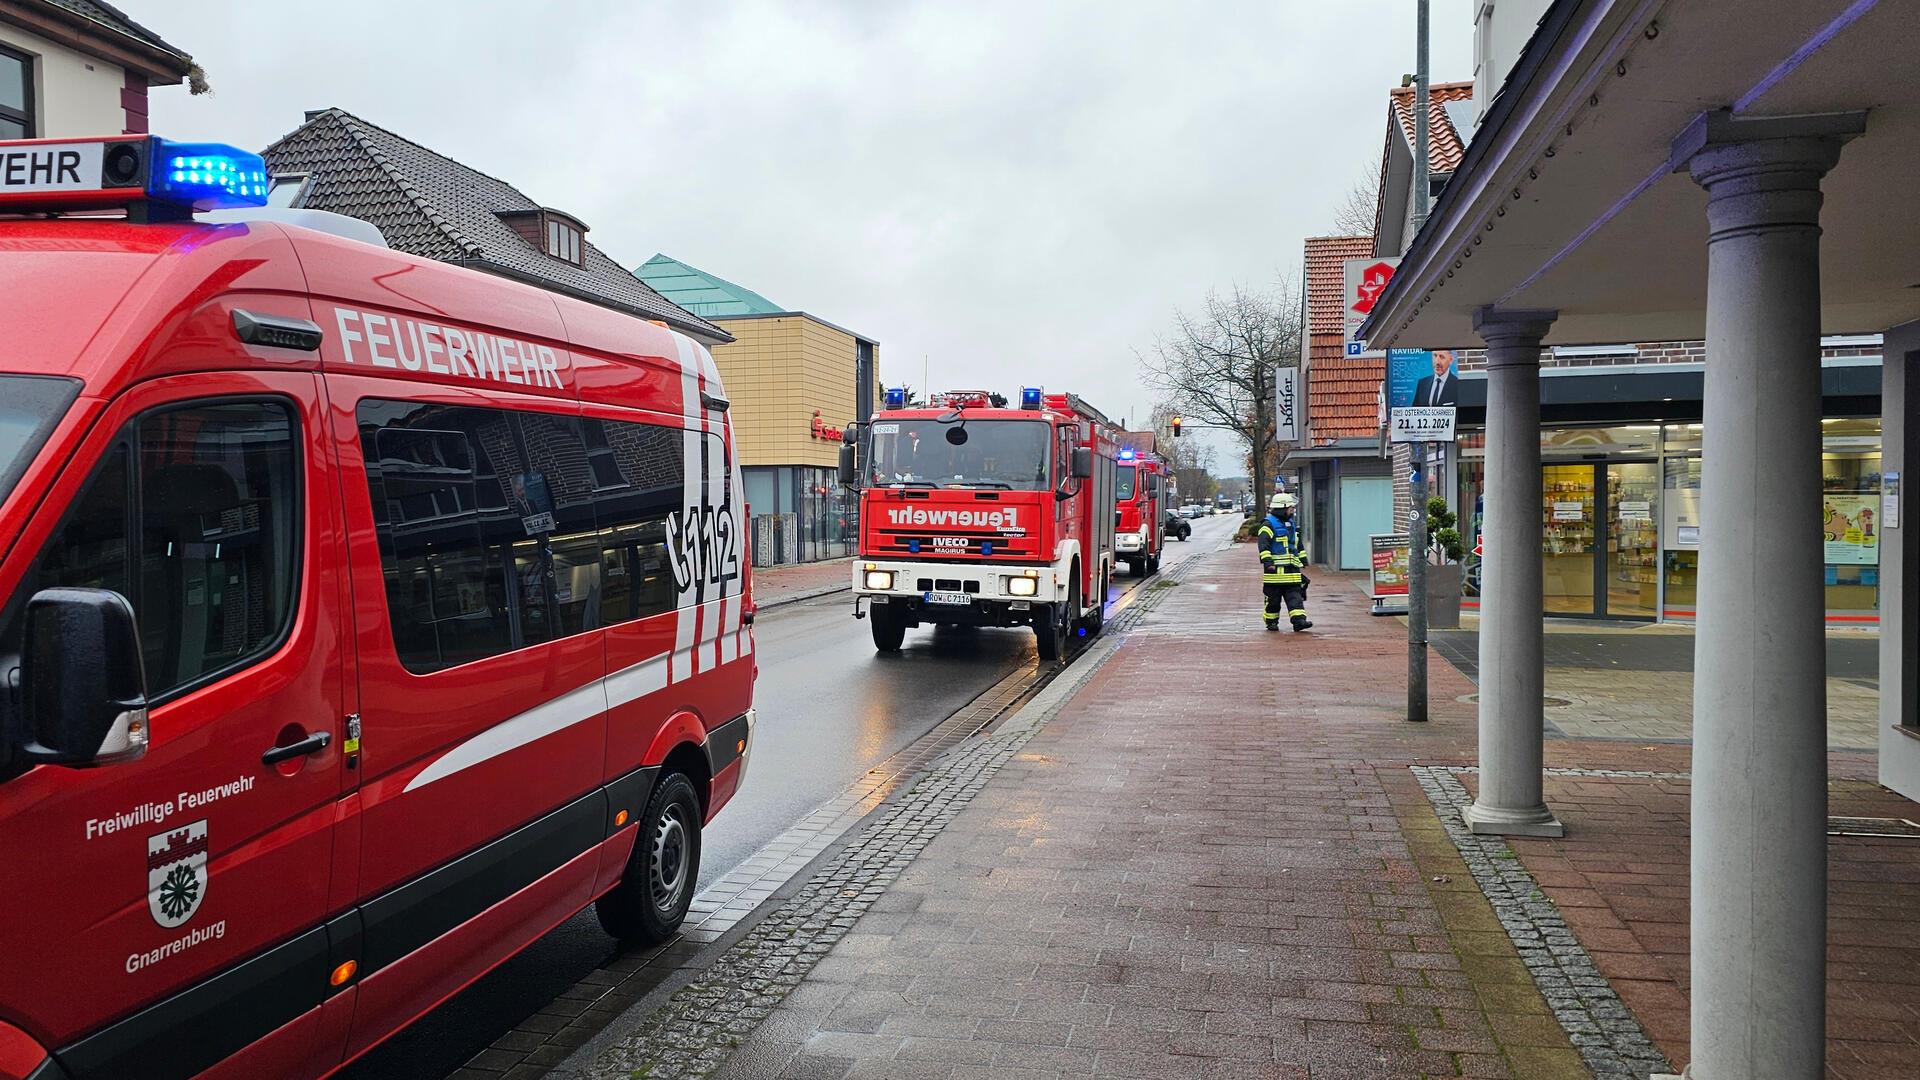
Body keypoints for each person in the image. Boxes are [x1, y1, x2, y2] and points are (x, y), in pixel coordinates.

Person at [1257, 492, 1312, 632]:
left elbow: (1296, 544)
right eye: (1291, 508)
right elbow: (1264, 545)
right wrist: (1268, 563)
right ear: (1282, 508)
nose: (1293, 510)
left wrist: (1303, 558)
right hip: (1274, 573)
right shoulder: (1268, 524)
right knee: (1273, 601)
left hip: (1292, 572)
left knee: (1295, 598)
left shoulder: (1291, 524)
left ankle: (1299, 621)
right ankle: (1271, 621)